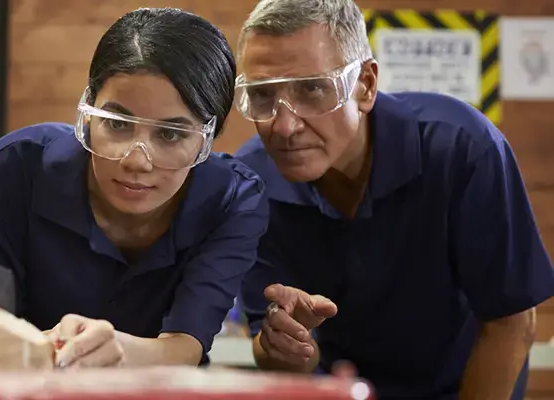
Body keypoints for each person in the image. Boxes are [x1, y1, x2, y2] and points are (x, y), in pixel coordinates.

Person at [232, 0, 554, 399]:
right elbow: (278, 356)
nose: (283, 126)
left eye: (313, 89)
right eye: (262, 96)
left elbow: (510, 322)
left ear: (365, 84)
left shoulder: (462, 149)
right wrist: (287, 347)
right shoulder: (250, 184)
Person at [0, 8, 268, 369]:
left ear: (208, 139)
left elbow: (187, 345)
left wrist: (114, 351)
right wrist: (51, 347)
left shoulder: (233, 200)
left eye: (170, 134)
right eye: (117, 125)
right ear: (89, 111)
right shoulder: (12, 172)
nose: (136, 161)